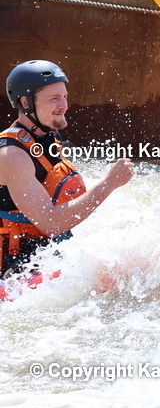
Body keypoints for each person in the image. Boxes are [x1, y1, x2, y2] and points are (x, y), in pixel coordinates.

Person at [0, 60, 133, 275]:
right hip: (17, 269)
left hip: (51, 252)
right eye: (54, 99)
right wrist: (109, 184)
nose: (64, 105)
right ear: (25, 102)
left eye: (64, 97)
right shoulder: (11, 155)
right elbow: (50, 223)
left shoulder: (50, 137)